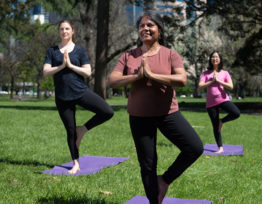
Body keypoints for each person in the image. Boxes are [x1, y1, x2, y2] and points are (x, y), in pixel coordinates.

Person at [108, 12, 203, 204]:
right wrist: (136, 77)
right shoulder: (129, 56)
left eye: (150, 25)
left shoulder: (170, 54)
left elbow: (182, 79)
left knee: (194, 147)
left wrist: (152, 75)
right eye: (141, 26)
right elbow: (112, 81)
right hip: (139, 116)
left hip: (168, 113)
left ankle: (165, 180)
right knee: (148, 164)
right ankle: (154, 200)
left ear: (159, 29)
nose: (145, 29)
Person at [43, 19, 114, 174]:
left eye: (67, 29)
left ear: (72, 31)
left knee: (107, 111)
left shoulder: (80, 51)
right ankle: (76, 163)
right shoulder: (52, 51)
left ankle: (83, 129)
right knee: (70, 131)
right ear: (59, 32)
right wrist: (62, 66)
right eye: (61, 29)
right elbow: (46, 72)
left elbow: (87, 72)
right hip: (62, 97)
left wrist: (70, 66)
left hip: (80, 92)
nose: (64, 31)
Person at [199, 51, 240, 154]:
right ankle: (220, 147)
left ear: (220, 59)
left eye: (216, 57)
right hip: (211, 103)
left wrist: (218, 81)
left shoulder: (225, 73)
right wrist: (212, 81)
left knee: (236, 113)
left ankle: (222, 121)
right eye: (213, 57)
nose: (214, 58)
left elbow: (230, 86)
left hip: (223, 99)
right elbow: (200, 86)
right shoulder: (206, 73)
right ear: (210, 59)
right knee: (215, 126)